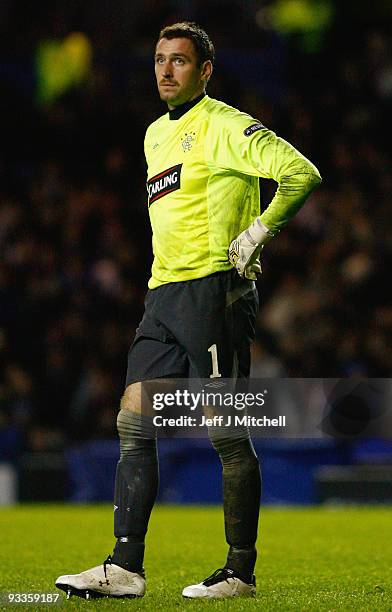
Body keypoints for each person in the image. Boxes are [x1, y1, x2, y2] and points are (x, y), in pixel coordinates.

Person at [55, 21, 321, 600]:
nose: (165, 71)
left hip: (213, 295)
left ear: (204, 71)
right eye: (158, 60)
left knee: (225, 434)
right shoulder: (153, 134)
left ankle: (240, 572)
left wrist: (258, 232)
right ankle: (125, 567)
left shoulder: (227, 125)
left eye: (179, 61)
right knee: (133, 420)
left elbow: (302, 173)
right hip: (163, 296)